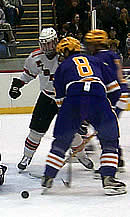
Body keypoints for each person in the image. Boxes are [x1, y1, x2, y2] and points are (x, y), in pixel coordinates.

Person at [41, 36, 126, 196]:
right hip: (97, 96)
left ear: (66, 51)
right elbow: (115, 90)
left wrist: (74, 121)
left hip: (73, 99)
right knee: (109, 141)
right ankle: (108, 178)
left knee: (61, 141)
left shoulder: (62, 67)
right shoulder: (97, 61)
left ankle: (48, 176)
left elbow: (60, 101)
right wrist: (108, 110)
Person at [9, 28, 93, 171]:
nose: (46, 48)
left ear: (55, 41)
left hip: (66, 99)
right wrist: (17, 85)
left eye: (49, 44)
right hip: (47, 97)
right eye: (43, 44)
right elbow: (28, 74)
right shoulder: (35, 57)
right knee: (36, 130)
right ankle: (27, 156)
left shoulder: (66, 54)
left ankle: (82, 156)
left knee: (71, 131)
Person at [84, 29, 128, 173]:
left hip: (115, 95)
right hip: (121, 94)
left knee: (104, 129)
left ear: (97, 44)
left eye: (90, 44)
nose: (88, 47)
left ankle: (112, 163)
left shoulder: (98, 58)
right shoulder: (111, 54)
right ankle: (117, 157)